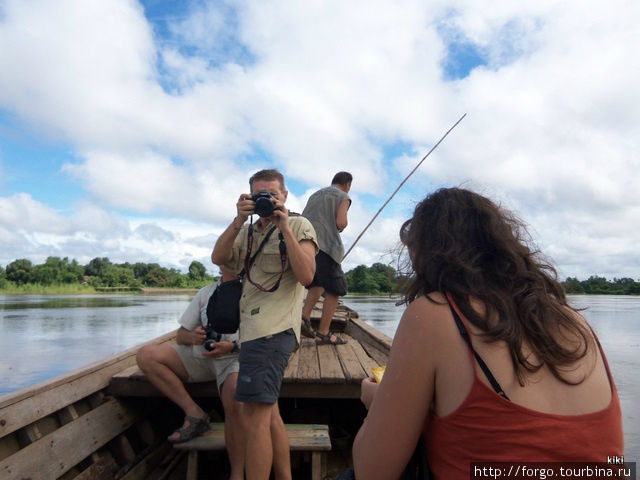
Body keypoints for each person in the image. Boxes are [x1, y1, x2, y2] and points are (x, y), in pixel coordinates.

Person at [351, 187, 624, 480]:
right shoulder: (574, 320)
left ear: (425, 254)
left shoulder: (431, 314)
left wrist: (376, 404)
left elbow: (372, 472)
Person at [211, 168, 318, 480]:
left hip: (272, 332)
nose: (267, 200)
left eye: (272, 194)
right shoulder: (246, 231)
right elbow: (219, 258)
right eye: (260, 195)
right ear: (248, 197)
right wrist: (236, 221)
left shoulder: (299, 225)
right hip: (253, 332)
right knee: (268, 415)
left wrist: (285, 227)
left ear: (284, 196)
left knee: (252, 416)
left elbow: (308, 276)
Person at [136, 267, 244, 480]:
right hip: (202, 358)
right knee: (146, 355)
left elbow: (263, 338)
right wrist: (193, 337)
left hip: (234, 359)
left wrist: (232, 346)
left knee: (233, 396)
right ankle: (194, 413)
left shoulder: (253, 291)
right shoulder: (206, 292)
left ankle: (237, 473)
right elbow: (180, 335)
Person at [300, 171, 352, 345]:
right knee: (337, 289)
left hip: (307, 246)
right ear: (347, 185)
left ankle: (304, 320)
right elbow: (341, 223)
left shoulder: (315, 194)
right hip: (326, 247)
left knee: (317, 284)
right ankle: (324, 333)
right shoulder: (343, 196)